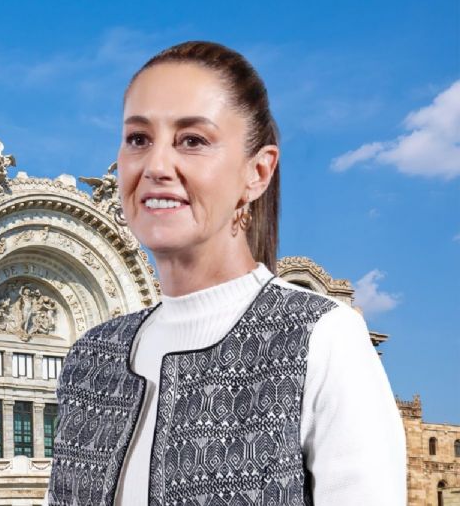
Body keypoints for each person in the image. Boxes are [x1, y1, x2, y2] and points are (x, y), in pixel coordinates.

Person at [43, 41, 405, 505]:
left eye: (192, 140)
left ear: (257, 172)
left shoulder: (322, 338)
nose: (156, 166)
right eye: (138, 139)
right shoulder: (91, 360)